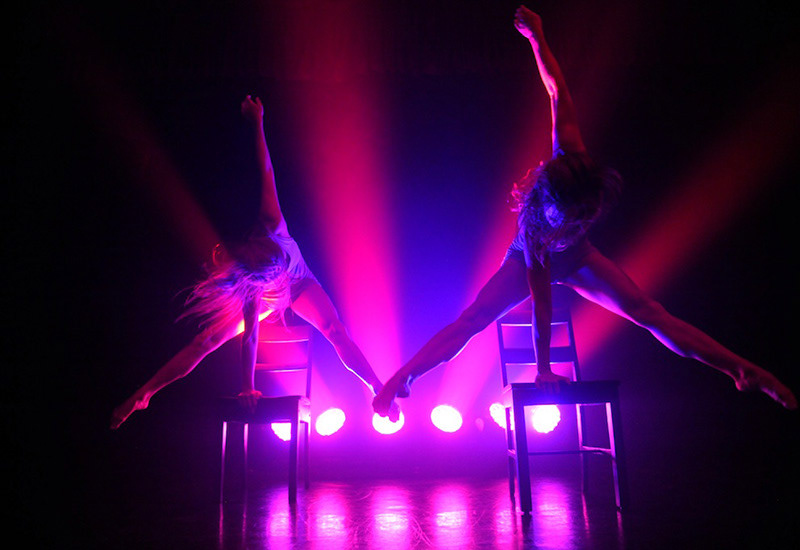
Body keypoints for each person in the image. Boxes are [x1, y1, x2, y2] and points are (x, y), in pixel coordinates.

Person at [373, 5, 797, 416]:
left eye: (580, 213)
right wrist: (543, 368)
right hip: (528, 261)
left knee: (648, 312)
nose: (576, 219)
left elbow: (557, 89)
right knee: (473, 320)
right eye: (568, 215)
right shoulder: (536, 229)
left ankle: (740, 370)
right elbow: (542, 305)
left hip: (578, 257)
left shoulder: (572, 155)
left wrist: (537, 37)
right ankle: (404, 378)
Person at [111, 95, 399, 429]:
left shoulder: (272, 223)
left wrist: (258, 123)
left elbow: (266, 171)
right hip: (270, 295)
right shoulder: (252, 288)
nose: (275, 274)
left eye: (275, 269)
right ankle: (144, 394)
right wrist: (247, 386)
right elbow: (251, 337)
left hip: (301, 283)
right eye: (270, 276)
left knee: (335, 329)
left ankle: (378, 387)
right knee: (205, 342)